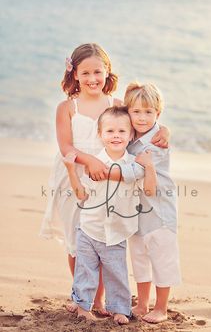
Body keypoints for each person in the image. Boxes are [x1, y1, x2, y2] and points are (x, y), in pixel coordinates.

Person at [39, 43, 169, 313]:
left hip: (110, 179)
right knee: (78, 239)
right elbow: (66, 148)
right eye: (85, 73)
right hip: (73, 174)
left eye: (98, 72)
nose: (92, 79)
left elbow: (143, 123)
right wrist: (91, 161)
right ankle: (81, 296)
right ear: (74, 74)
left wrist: (164, 130)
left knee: (103, 235)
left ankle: (99, 299)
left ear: (107, 72)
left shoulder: (117, 104)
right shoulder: (67, 108)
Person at [64, 106, 157, 324]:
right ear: (100, 134)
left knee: (117, 272)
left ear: (131, 134)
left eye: (122, 131)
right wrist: (71, 170)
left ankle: (119, 309)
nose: (116, 135)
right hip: (89, 227)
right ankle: (82, 305)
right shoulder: (94, 163)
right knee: (85, 270)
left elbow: (150, 190)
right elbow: (81, 195)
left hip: (116, 231)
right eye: (110, 131)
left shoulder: (134, 164)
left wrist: (150, 166)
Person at [122, 82, 181, 324]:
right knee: (139, 256)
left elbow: (134, 171)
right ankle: (143, 302)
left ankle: (162, 307)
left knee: (162, 258)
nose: (142, 117)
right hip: (137, 211)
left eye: (149, 112)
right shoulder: (130, 135)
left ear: (158, 113)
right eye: (136, 112)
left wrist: (105, 170)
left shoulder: (156, 142)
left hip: (159, 211)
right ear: (128, 113)